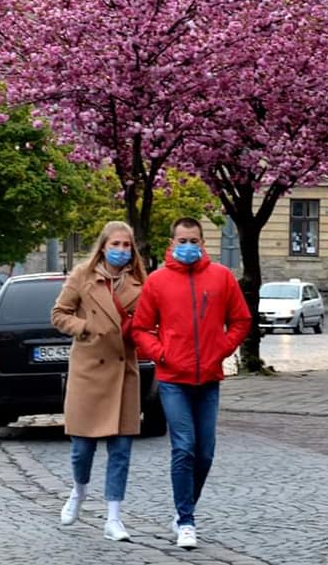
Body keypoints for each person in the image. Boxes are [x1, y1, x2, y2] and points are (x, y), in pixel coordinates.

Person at [132, 217, 251, 549]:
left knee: (206, 453)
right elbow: (140, 329)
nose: (188, 246)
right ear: (172, 243)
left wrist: (221, 350)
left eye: (194, 240)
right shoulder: (157, 282)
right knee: (184, 447)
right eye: (182, 240)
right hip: (173, 379)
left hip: (209, 379)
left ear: (203, 243)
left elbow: (241, 320)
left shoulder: (221, 277)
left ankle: (186, 508)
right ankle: (186, 520)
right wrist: (161, 354)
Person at [50, 220, 147, 542]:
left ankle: (114, 517)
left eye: (126, 245)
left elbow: (150, 322)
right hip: (89, 370)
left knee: (120, 451)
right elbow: (59, 314)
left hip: (123, 372)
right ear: (103, 246)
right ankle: (78, 493)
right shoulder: (82, 276)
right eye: (115, 244)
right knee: (82, 449)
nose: (121, 250)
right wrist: (84, 328)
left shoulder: (139, 283)